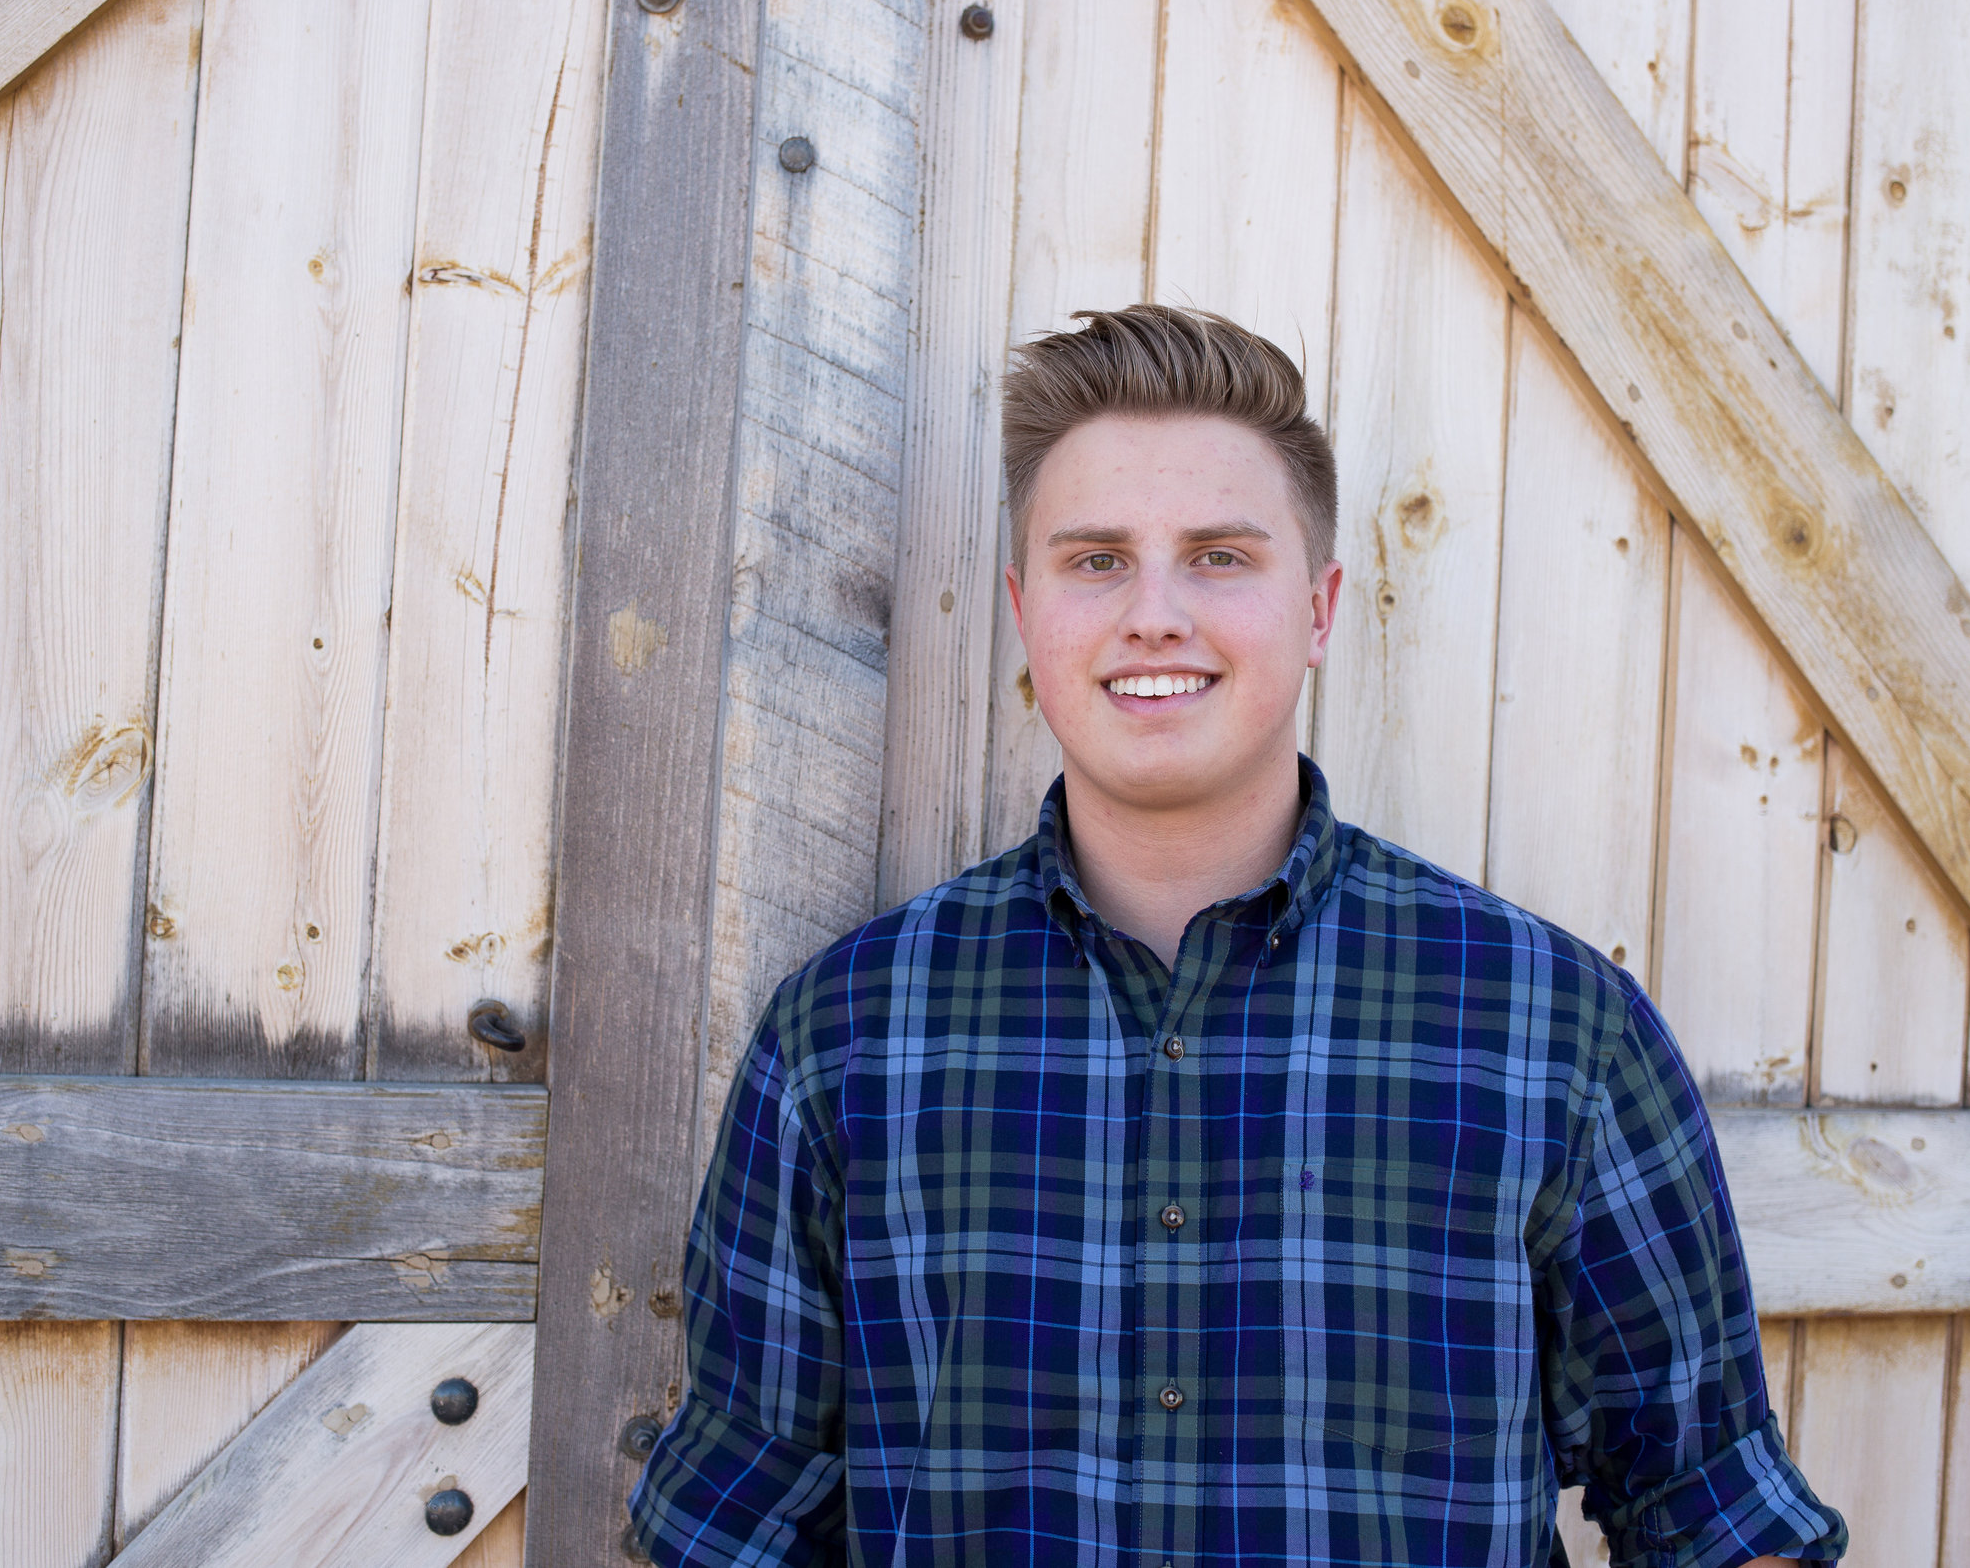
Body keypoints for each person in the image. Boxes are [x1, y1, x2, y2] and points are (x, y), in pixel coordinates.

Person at [627, 306, 1847, 1567]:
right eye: (1096, 558)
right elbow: (735, 1525)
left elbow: (1714, 1512)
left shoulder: (1551, 1027)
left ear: (1318, 609)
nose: (1154, 612)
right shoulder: (845, 1037)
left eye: (1218, 555)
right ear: (1023, 609)